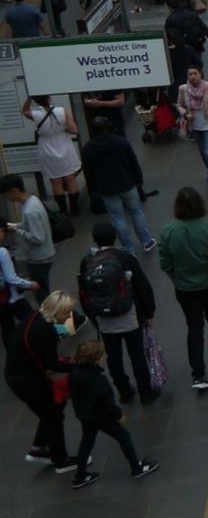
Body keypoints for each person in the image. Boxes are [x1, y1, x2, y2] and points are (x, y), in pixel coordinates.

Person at [77, 221, 160, 405]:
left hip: (104, 320)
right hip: (129, 315)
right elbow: (141, 286)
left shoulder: (87, 262)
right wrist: (148, 313)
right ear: (114, 237)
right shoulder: (124, 257)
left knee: (114, 357)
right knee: (137, 355)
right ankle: (145, 392)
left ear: (94, 239)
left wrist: (93, 317)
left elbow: (83, 293)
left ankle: (124, 391)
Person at [158, 188, 208, 390]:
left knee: (194, 327)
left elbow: (165, 263)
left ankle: (198, 374)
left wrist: (177, 278)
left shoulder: (168, 232)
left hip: (184, 289)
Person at [67, 340, 161, 488]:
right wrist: (118, 416)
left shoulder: (74, 373)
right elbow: (108, 402)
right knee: (123, 436)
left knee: (87, 441)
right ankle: (136, 467)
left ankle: (80, 475)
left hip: (85, 414)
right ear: (97, 359)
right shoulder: (98, 379)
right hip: (101, 415)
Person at [5, 291, 77, 473]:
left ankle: (39, 448)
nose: (68, 317)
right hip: (28, 380)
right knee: (53, 415)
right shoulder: (45, 330)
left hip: (18, 376)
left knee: (51, 412)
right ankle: (61, 460)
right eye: (66, 312)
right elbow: (51, 363)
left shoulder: (34, 317)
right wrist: (77, 366)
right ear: (56, 310)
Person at [81, 117, 157, 253]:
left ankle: (128, 248)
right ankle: (146, 241)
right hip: (127, 183)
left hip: (107, 188)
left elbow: (89, 172)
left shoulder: (88, 149)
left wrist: (94, 190)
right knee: (136, 212)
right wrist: (139, 180)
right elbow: (133, 162)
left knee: (117, 218)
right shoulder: (121, 142)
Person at [21, 95, 83, 215]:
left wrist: (29, 98)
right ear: (49, 99)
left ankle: (63, 210)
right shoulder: (62, 111)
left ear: (37, 102)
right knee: (70, 179)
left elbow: (24, 111)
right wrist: (64, 130)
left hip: (46, 148)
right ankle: (75, 209)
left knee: (56, 182)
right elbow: (74, 130)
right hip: (64, 146)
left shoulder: (36, 114)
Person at [1, 175, 56, 302]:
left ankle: (55, 317)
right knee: (43, 291)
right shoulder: (33, 200)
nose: (6, 198)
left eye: (5, 194)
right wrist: (15, 225)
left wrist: (17, 230)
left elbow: (37, 238)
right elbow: (30, 225)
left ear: (14, 190)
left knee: (42, 294)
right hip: (44, 254)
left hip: (39, 257)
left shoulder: (29, 211)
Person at [177, 66, 208, 197]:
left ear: (200, 74)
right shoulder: (183, 89)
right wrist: (185, 113)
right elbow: (179, 104)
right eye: (190, 74)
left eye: (195, 73)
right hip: (195, 127)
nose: (193, 76)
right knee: (203, 154)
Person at [0, 222, 38, 351]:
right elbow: (11, 278)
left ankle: (13, 358)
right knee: (33, 322)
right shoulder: (2, 252)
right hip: (10, 297)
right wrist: (29, 284)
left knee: (7, 328)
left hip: (2, 301)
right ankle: (39, 355)